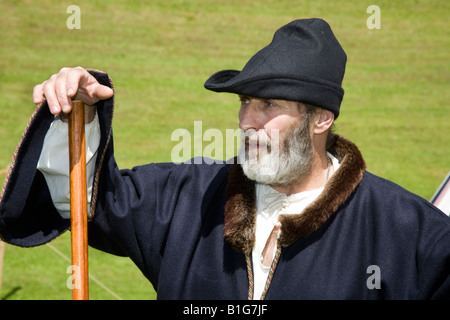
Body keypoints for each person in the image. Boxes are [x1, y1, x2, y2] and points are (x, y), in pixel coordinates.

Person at [0, 18, 449, 300]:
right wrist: (79, 113)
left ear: (321, 120)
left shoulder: (403, 229)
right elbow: (84, 202)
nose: (248, 121)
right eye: (245, 102)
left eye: (269, 106)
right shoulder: (188, 198)